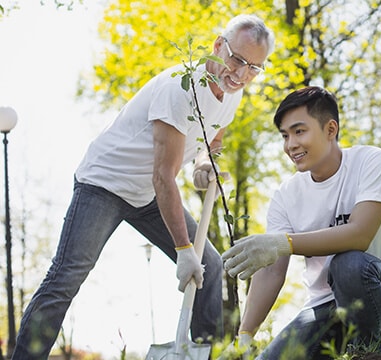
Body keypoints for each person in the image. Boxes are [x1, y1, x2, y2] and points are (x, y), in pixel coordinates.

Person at [12, 14, 275, 360]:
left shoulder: (231, 94)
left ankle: (204, 355)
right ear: (217, 46)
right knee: (66, 278)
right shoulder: (177, 90)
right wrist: (183, 250)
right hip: (104, 183)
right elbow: (163, 176)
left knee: (208, 268)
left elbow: (212, 140)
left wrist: (201, 164)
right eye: (237, 59)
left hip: (147, 195)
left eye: (253, 68)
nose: (241, 74)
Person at [220, 86, 381, 359]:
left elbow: (359, 235)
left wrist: (284, 243)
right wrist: (244, 335)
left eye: (299, 131)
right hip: (325, 307)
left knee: (348, 263)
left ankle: (367, 354)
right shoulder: (286, 195)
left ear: (330, 129)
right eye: (285, 135)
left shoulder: (372, 162)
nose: (290, 144)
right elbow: (271, 272)